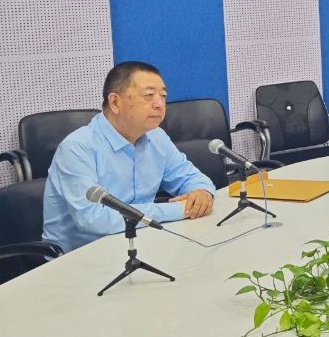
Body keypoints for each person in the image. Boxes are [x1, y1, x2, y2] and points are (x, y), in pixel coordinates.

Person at [42, 61, 217, 253]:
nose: (159, 104)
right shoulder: (77, 148)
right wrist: (179, 209)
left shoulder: (157, 137)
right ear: (115, 103)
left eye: (163, 96)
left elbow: (191, 177)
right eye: (149, 96)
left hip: (141, 243)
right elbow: (92, 218)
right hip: (81, 256)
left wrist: (201, 193)